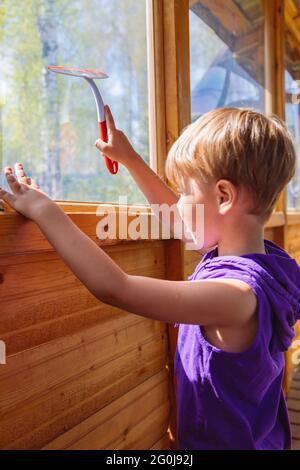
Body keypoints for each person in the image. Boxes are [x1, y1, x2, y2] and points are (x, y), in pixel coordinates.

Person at [0, 106, 299, 450]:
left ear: (223, 196)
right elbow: (183, 223)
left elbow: (115, 288)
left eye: (185, 191)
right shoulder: (265, 265)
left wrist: (45, 211)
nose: (180, 202)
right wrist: (130, 160)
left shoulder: (235, 295)